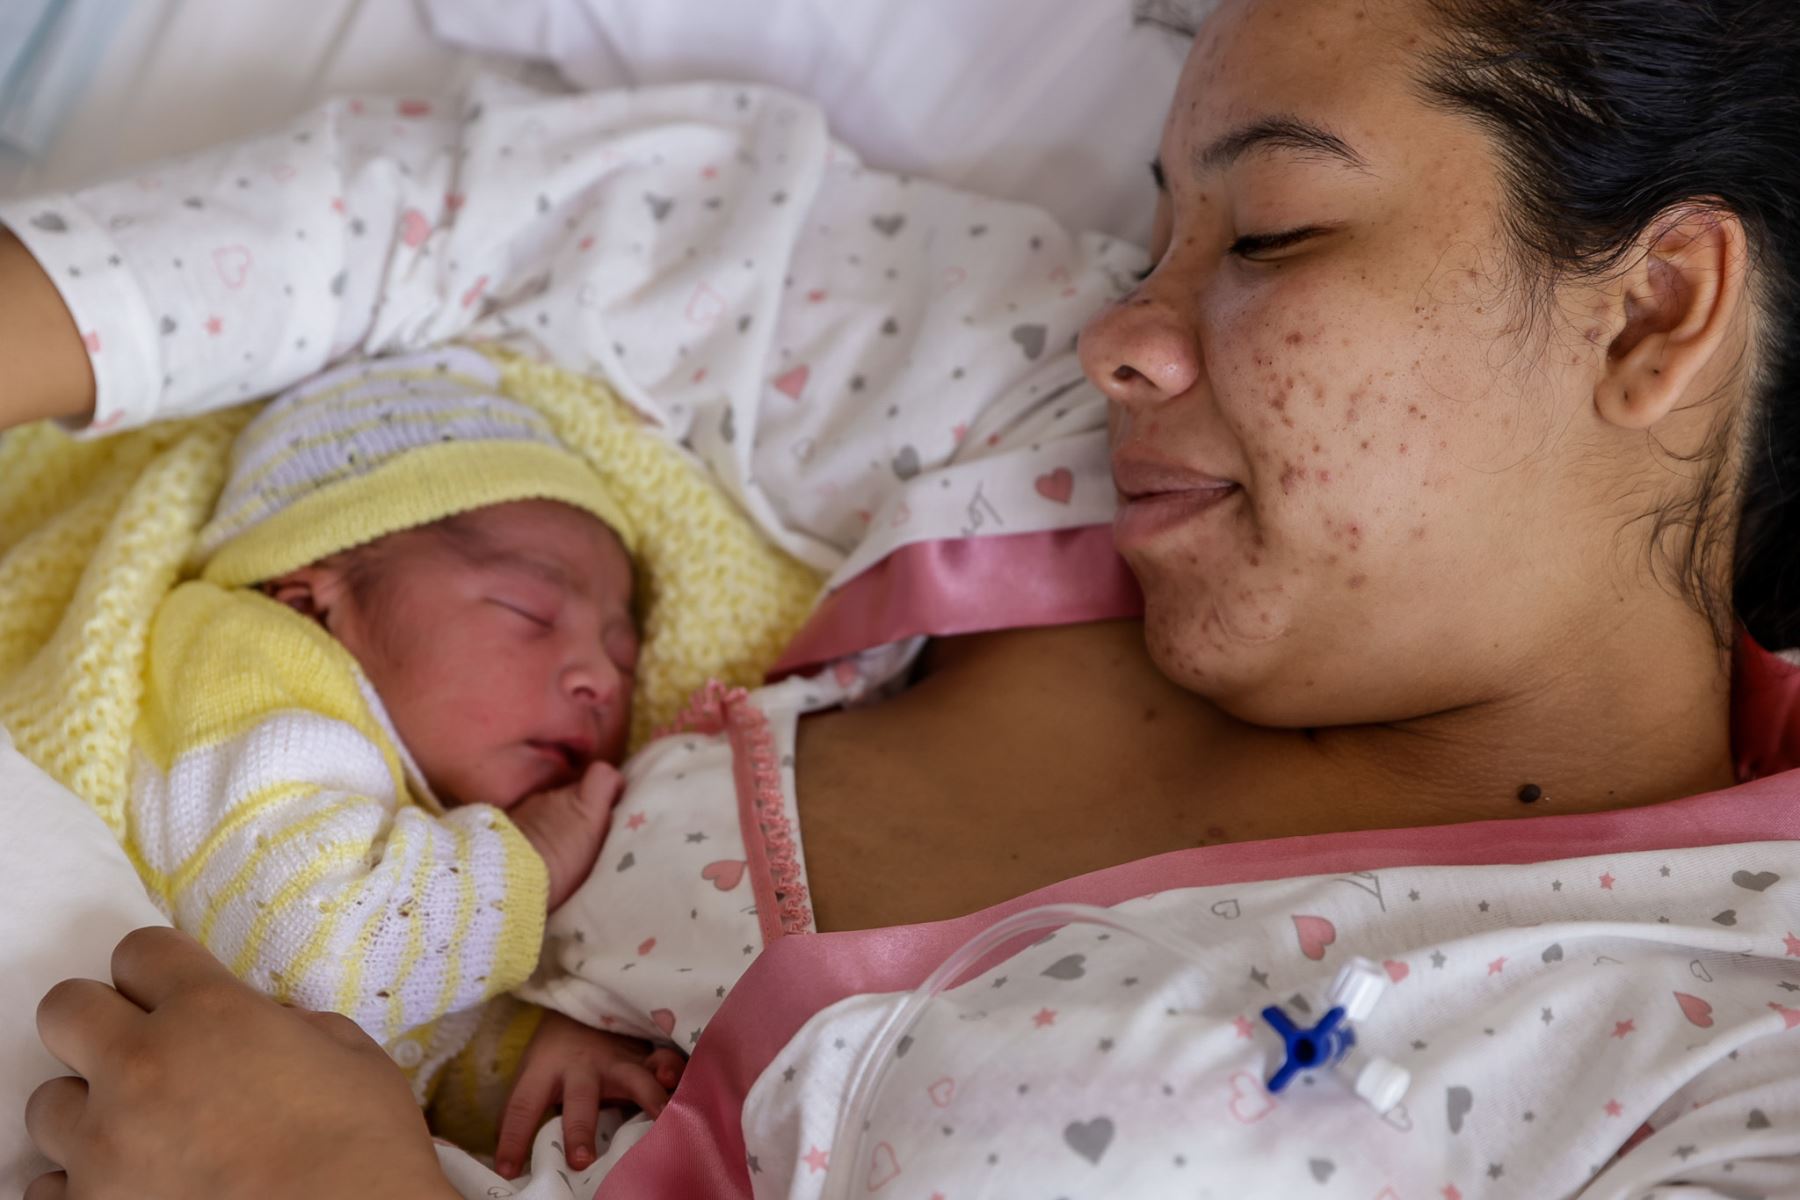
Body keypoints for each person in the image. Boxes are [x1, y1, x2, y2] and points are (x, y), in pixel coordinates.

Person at [9, 0, 1800, 1194]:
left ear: (1651, 315)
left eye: (1267, 238)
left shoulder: (1729, 1047)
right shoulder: (1046, 418)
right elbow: (511, 221)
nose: (1125, 328)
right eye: (1158, 227)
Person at [128, 349, 684, 1162]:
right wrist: (521, 862)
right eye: (528, 611)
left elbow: (390, 1030)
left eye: (624, 657)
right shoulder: (244, 663)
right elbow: (309, 960)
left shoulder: (429, 815)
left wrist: (519, 1056)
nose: (600, 678)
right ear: (314, 598)